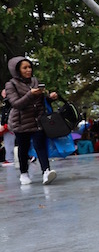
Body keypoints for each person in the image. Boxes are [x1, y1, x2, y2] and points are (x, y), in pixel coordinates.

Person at [4, 56, 58, 185]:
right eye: (25, 68)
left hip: (37, 120)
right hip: (21, 122)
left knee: (41, 146)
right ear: (17, 70)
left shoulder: (34, 81)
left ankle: (46, 171)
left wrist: (49, 98)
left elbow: (40, 101)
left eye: (30, 67)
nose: (28, 70)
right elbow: (16, 104)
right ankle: (24, 173)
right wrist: (30, 94)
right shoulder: (11, 84)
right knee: (24, 148)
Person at [2, 89, 16, 166]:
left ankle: (9, 159)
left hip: (9, 125)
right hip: (15, 124)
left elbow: (5, 114)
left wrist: (2, 124)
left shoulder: (8, 103)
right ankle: (30, 156)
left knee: (8, 142)